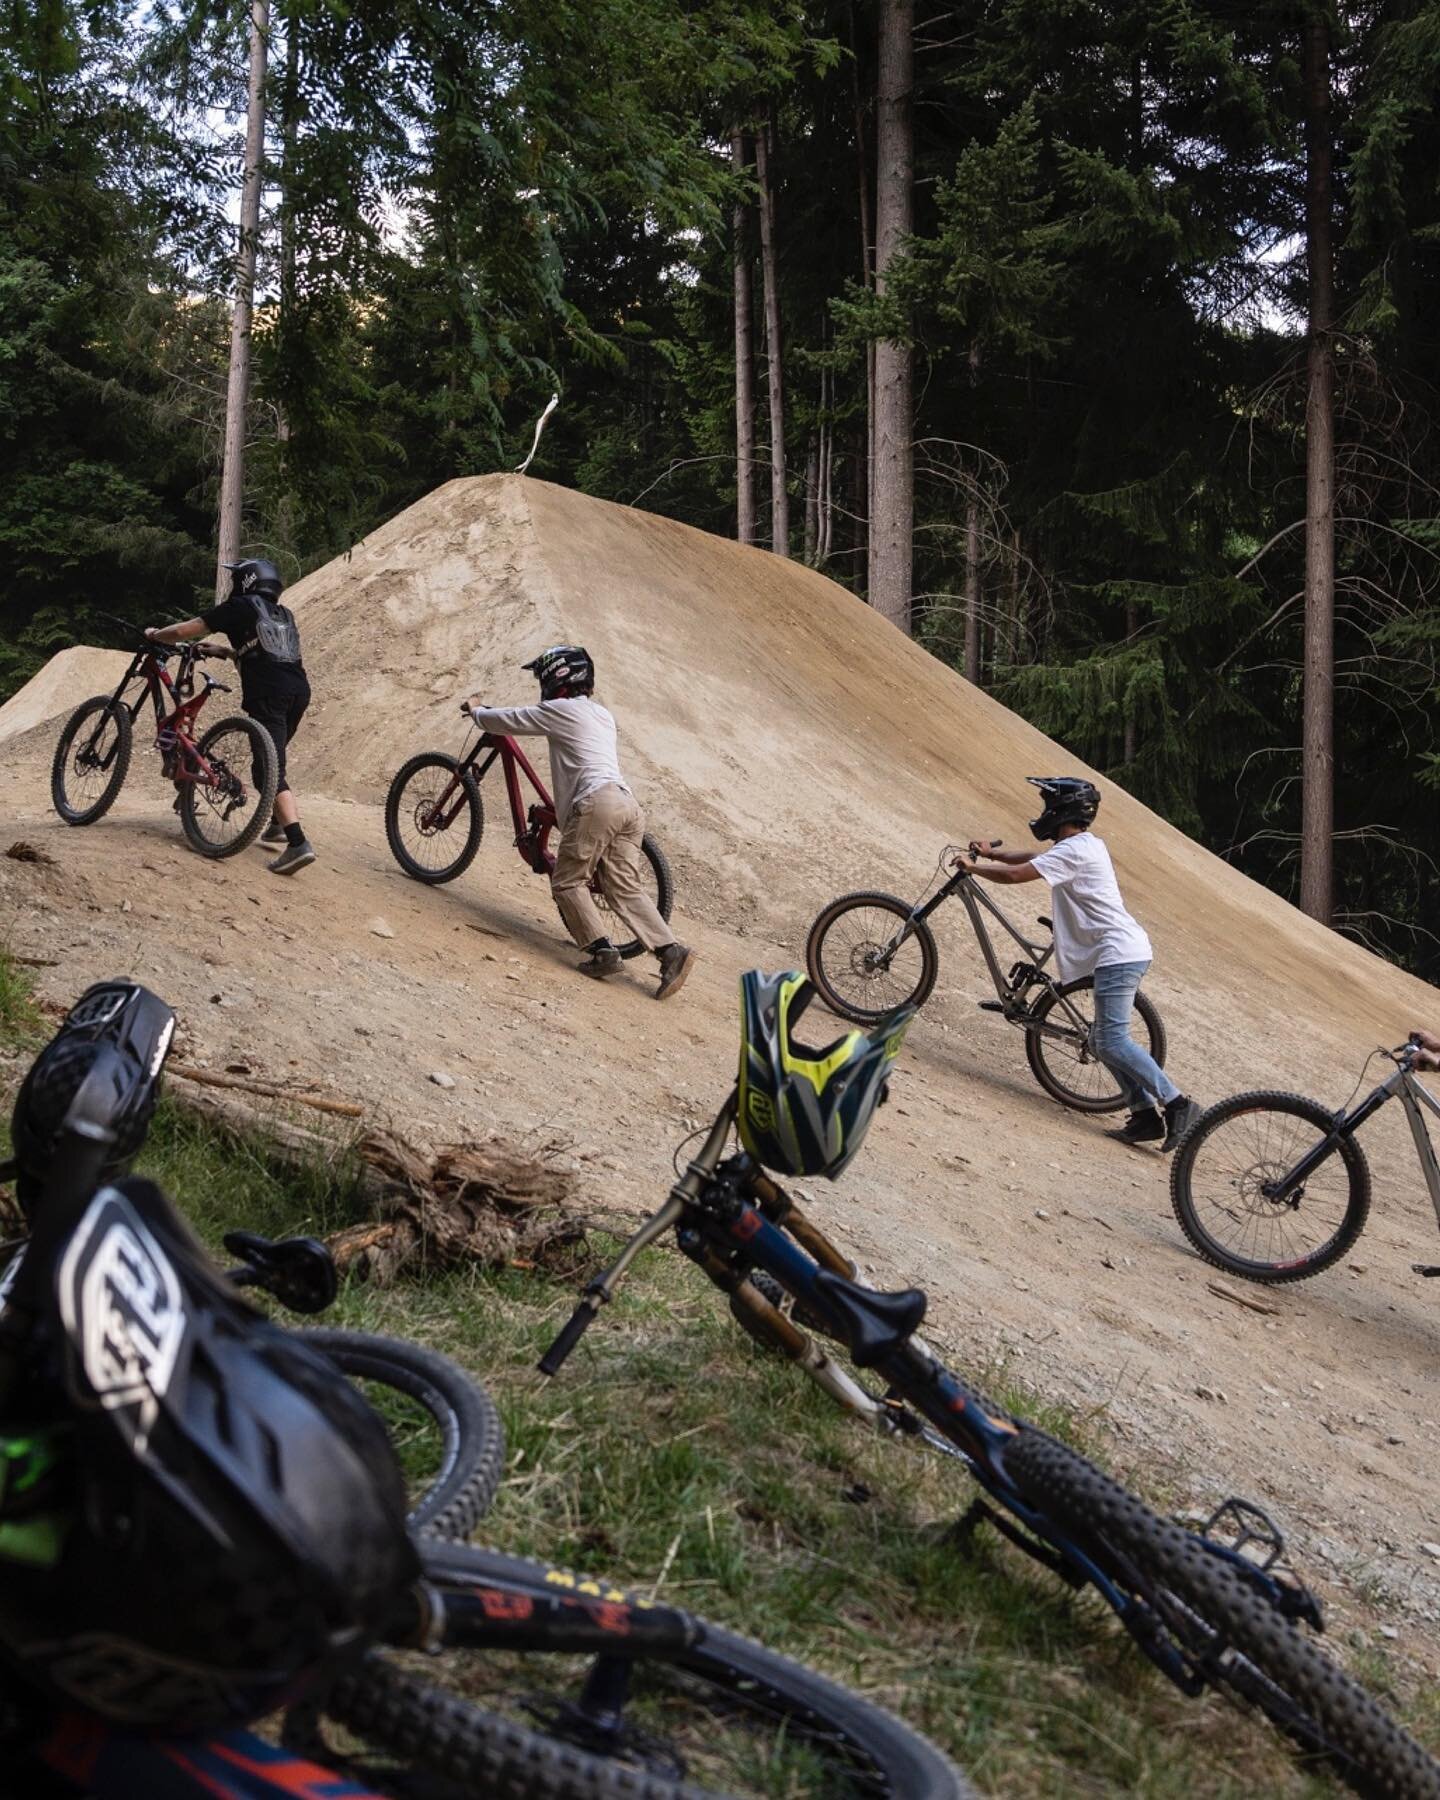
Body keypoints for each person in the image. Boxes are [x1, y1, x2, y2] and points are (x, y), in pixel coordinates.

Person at [964, 776, 1201, 1150]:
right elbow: (1027, 858)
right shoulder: (1082, 845)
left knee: (1110, 1039)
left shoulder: (1075, 851)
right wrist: (991, 854)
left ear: (1063, 811)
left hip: (1118, 952)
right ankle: (1143, 1116)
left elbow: (1016, 875)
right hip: (1117, 951)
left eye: (1048, 807)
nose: (1043, 814)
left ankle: (1179, 1104)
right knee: (1102, 1039)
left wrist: (974, 868)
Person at [466, 646, 696, 999]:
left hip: (596, 803)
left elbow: (511, 719)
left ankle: (602, 950)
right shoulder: (602, 714)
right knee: (624, 886)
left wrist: (479, 712)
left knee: (567, 881)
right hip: (626, 804)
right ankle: (670, 952)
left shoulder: (560, 710)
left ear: (555, 677)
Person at [146, 559, 314, 875]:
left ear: (246, 581)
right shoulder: (283, 614)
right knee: (268, 760)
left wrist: (156, 634)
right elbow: (268, 652)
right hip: (298, 691)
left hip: (268, 693)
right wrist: (224, 652)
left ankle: (297, 842)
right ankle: (277, 823)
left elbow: (185, 631)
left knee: (267, 769)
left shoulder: (239, 605)